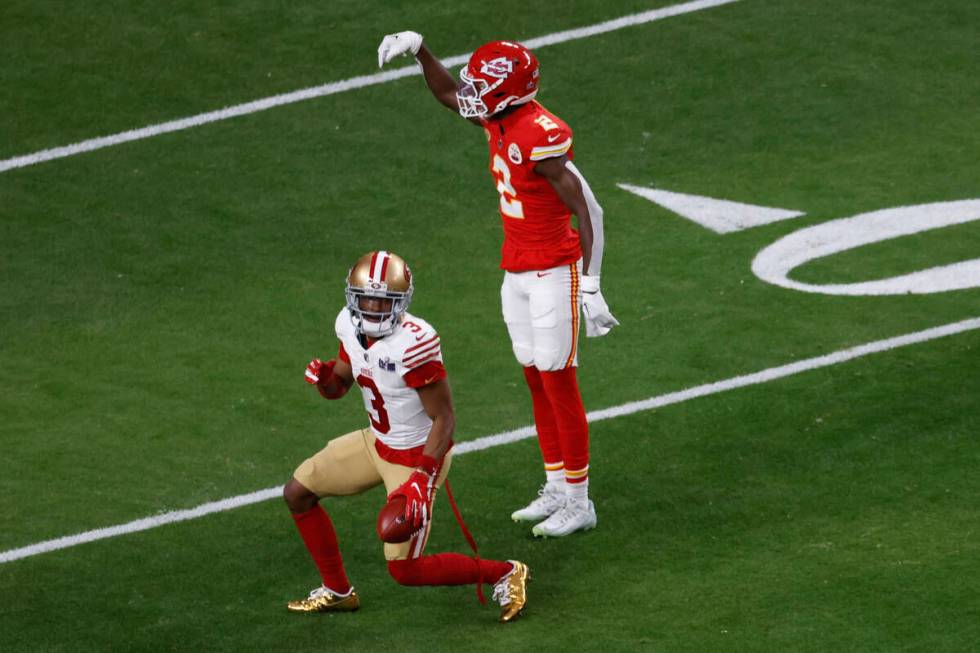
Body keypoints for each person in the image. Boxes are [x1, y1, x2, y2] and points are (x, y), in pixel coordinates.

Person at [377, 33, 619, 537]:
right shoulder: (501, 117)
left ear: (510, 91)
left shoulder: (540, 135)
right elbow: (449, 95)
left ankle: (580, 499)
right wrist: (422, 49)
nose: (472, 91)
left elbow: (588, 209)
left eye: (484, 84)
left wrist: (591, 285)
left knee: (559, 381)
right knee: (534, 377)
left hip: (554, 269)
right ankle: (556, 485)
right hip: (516, 269)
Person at [283, 250, 530, 623]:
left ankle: (506, 572)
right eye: (366, 298)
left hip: (417, 456)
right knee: (298, 493)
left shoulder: (414, 344)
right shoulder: (349, 327)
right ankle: (337, 591)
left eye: (384, 300)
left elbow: (444, 418)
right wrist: (325, 381)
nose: (374, 307)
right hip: (377, 441)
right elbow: (342, 382)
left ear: (401, 303)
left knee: (405, 570)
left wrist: (422, 477)